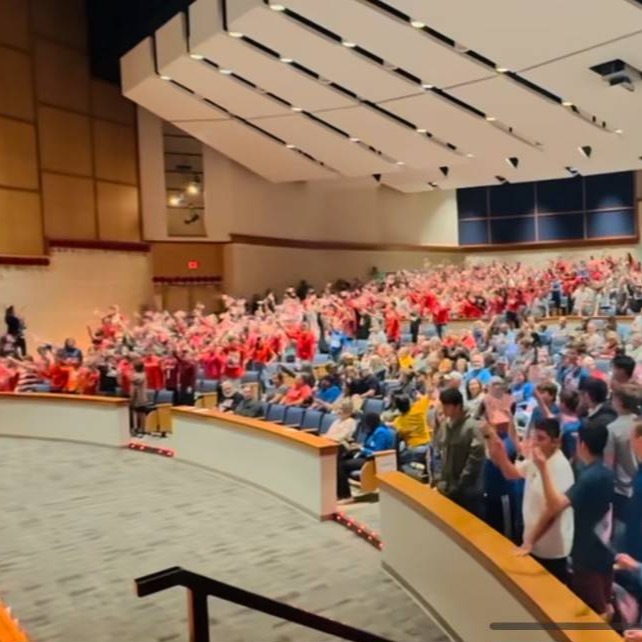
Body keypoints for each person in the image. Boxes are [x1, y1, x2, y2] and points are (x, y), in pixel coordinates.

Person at [528, 424, 615, 616]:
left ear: (582, 444)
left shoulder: (588, 478)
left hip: (586, 555)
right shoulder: (607, 473)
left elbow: (555, 505)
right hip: (603, 547)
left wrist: (543, 469)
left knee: (591, 611)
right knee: (602, 601)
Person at [487, 418, 574, 585]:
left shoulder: (560, 466)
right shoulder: (538, 459)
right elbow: (511, 473)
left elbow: (553, 511)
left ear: (555, 442)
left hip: (550, 547)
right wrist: (500, 454)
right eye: (533, 437)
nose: (534, 443)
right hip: (533, 541)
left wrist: (529, 542)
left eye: (540, 439)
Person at [434, 388, 485, 515]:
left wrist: (461, 483)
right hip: (446, 486)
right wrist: (438, 478)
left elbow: (475, 459)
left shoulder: (472, 427)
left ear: (458, 406)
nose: (443, 409)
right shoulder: (445, 425)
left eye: (447, 406)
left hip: (466, 491)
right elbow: (439, 450)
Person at [337, 412, 395, 501]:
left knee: (342, 466)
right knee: (341, 459)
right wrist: (357, 446)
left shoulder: (381, 433)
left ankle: (346, 495)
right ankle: (340, 491)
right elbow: (368, 445)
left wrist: (362, 449)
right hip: (365, 457)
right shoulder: (374, 429)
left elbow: (378, 453)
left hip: (373, 461)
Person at [605, 385, 641, 525]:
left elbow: (609, 464)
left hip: (622, 489)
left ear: (619, 402)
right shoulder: (638, 424)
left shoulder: (612, 429)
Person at [130, 361, 149, 436]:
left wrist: (131, 399)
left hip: (137, 397)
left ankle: (136, 428)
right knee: (142, 413)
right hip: (143, 396)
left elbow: (134, 388)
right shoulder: (144, 374)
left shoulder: (136, 376)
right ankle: (142, 429)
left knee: (136, 413)